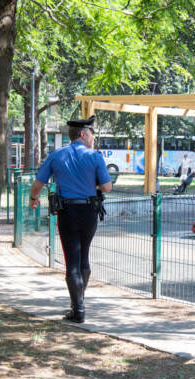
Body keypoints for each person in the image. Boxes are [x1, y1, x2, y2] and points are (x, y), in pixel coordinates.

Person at [29, 115, 112, 323]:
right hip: (89, 213)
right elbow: (107, 188)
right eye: (91, 135)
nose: (93, 139)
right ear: (83, 134)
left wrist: (33, 198)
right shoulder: (95, 157)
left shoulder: (56, 156)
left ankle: (78, 309)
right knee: (84, 256)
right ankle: (80, 303)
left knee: (71, 261)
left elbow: (39, 182)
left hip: (67, 213)